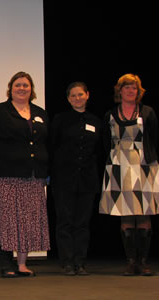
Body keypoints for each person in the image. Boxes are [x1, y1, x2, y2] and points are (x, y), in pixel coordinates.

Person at [0, 71, 50, 278]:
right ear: (10, 89)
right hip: (5, 175)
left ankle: (22, 264)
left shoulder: (40, 112)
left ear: (32, 89)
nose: (22, 88)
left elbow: (47, 142)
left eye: (26, 85)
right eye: (18, 85)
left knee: (29, 220)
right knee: (7, 220)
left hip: (33, 175)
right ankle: (6, 264)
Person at [100, 74, 158, 276]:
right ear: (119, 90)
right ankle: (131, 262)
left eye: (134, 88)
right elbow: (106, 142)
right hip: (119, 166)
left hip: (144, 166)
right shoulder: (110, 114)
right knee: (125, 214)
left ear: (139, 91)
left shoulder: (148, 112)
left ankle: (143, 262)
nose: (130, 91)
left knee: (143, 213)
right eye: (126, 87)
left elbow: (154, 138)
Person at [51, 82, 102, 276]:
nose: (77, 98)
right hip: (63, 179)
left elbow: (99, 150)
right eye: (73, 96)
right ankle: (67, 262)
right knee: (65, 221)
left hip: (88, 179)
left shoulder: (96, 121)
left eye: (80, 95)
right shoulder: (60, 119)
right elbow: (53, 146)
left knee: (82, 223)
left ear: (87, 95)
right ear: (68, 99)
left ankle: (80, 262)